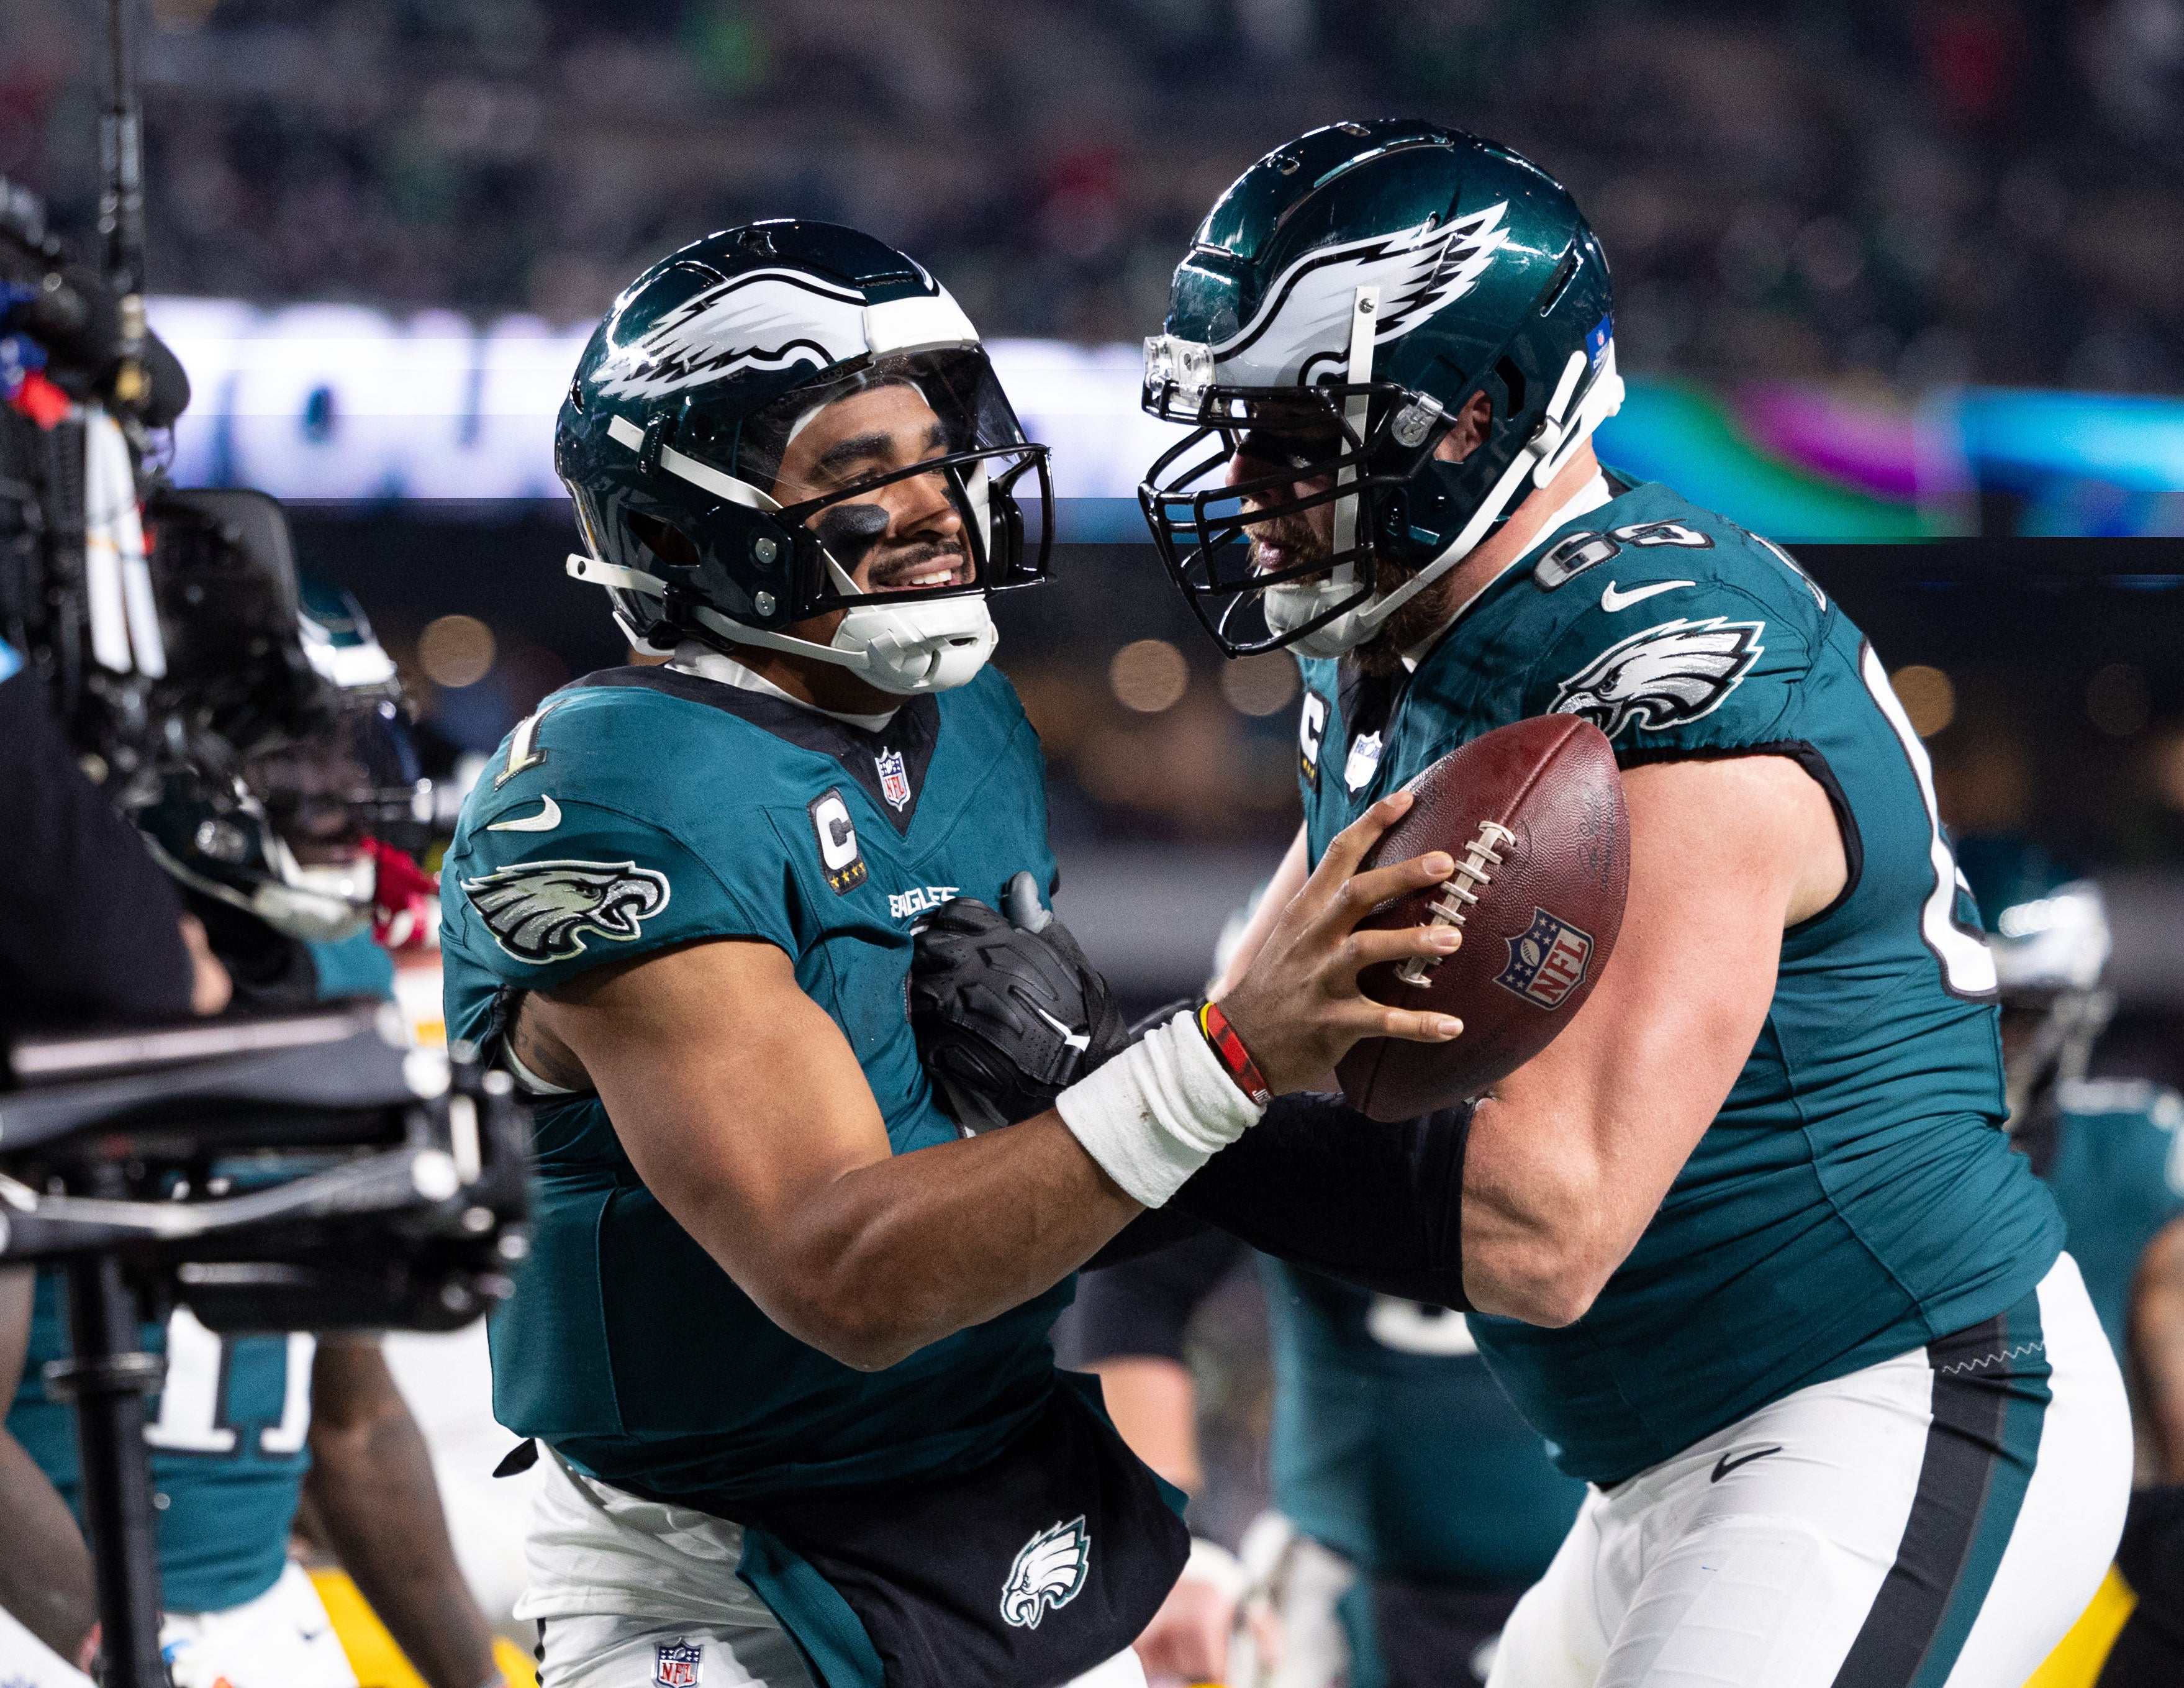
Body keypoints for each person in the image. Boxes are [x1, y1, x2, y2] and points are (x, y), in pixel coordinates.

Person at [1125, 119, 2129, 1687]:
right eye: (1233, 422)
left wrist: (1136, 1104)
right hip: (1658, 1456)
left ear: (1474, 416)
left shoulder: (1668, 672)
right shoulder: (1393, 642)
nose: (1246, 479)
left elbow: (1544, 1226)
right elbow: (1265, 1012)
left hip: (1888, 1392)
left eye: (1297, 429)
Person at [440, 219, 1467, 1688]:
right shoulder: (623, 794)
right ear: (678, 534)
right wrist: (1222, 1056)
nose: (937, 507)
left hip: (1003, 1492)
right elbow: (844, 1276)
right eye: (861, 475)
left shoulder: (967, 720)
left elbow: (1023, 1177)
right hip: (736, 1571)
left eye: (936, 456)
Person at [0, 558, 504, 1688]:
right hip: (38, 1616)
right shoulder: (41, 987)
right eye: (289, 746)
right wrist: (126, 1650)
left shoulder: (343, 968)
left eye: (347, 739)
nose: (338, 782)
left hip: (248, 1614)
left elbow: (352, 1423)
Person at [1079, 1226, 1584, 1688]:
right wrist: (1171, 1540)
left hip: (1606, 1564)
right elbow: (1133, 1288)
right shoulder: (1296, 1124)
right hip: (1342, 1590)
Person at [1955, 840, 2184, 1687]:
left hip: (2075, 1569)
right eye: (1951, 1007)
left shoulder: (2132, 1152)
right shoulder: (1833, 1151)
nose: (1979, 1041)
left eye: (2010, 1011)